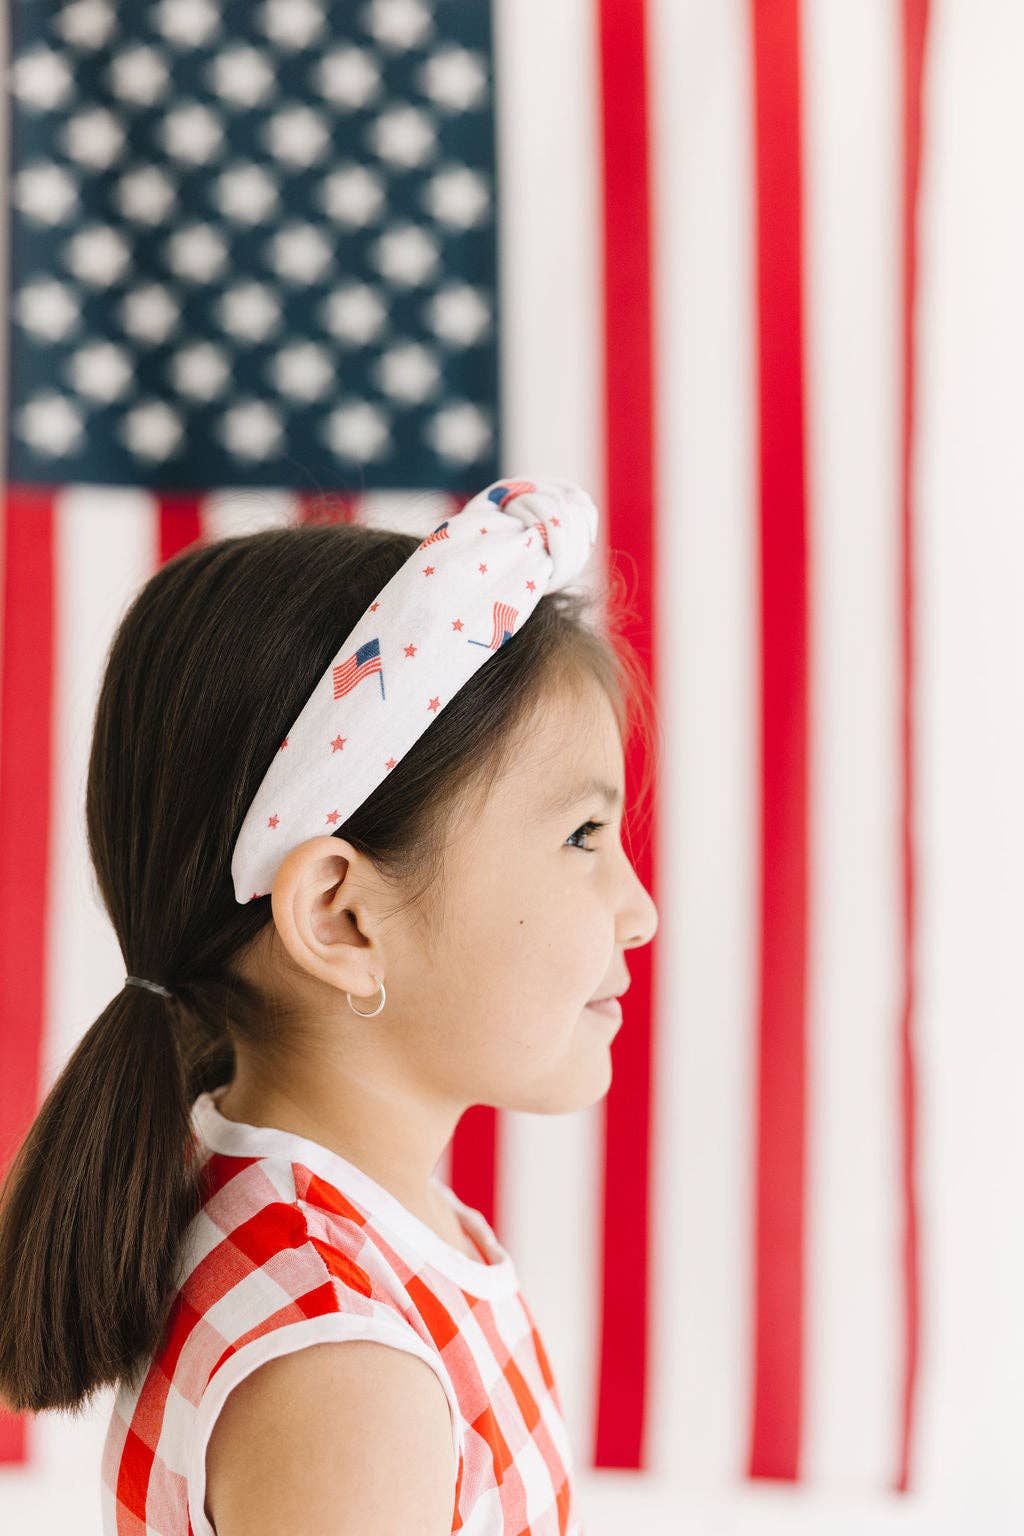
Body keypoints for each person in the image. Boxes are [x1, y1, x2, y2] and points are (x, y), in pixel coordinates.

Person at [0, 477, 658, 1535]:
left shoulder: (314, 1222)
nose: (638, 912)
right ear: (342, 918)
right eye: (583, 838)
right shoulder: (349, 1367)